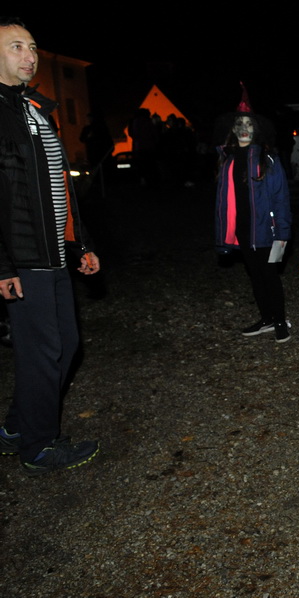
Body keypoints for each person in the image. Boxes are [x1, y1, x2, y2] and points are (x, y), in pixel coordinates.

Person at [0, 17, 101, 475]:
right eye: (16, 46)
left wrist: (79, 244)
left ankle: (19, 426)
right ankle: (39, 446)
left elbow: (59, 185)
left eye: (33, 46)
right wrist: (3, 264)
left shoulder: (36, 107)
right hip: (23, 257)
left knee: (67, 344)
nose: (30, 55)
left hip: (54, 252)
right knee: (44, 350)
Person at [214, 86, 293, 342]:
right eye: (239, 123)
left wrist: (282, 232)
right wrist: (223, 232)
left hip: (266, 229)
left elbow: (281, 197)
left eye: (248, 123)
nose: (244, 128)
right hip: (242, 229)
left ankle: (280, 320)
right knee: (255, 276)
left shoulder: (267, 158)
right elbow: (223, 202)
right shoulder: (226, 159)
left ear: (255, 128)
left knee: (269, 276)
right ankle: (266, 318)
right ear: (233, 129)